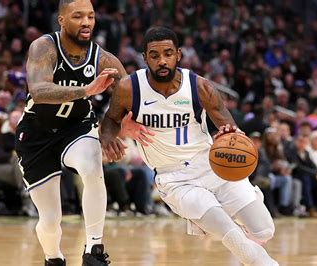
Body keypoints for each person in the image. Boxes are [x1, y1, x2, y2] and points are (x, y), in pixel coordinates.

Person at [100, 27, 278, 266]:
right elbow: (110, 120)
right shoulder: (129, 88)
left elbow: (234, 132)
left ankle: (220, 218)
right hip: (175, 179)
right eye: (154, 55)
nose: (162, 60)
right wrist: (109, 137)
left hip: (214, 168)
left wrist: (228, 134)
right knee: (231, 236)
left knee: (264, 232)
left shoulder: (200, 87)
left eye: (168, 53)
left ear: (179, 55)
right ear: (145, 58)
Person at [15, 1, 130, 265]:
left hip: (76, 128)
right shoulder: (43, 47)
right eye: (78, 16)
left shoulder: (104, 59)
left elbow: (128, 96)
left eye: (90, 16)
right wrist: (86, 91)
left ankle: (94, 250)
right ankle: (53, 258)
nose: (87, 22)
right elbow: (39, 91)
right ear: (62, 21)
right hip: (36, 136)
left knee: (91, 166)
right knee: (50, 221)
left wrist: (122, 124)